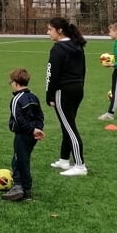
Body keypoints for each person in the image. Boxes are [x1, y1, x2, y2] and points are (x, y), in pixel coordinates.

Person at [45, 16, 88, 177]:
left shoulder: (57, 49)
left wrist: (49, 95)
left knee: (70, 127)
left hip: (63, 91)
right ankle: (64, 159)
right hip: (77, 89)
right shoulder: (77, 46)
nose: (47, 32)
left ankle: (80, 165)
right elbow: (84, 70)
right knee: (67, 125)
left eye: (50, 29)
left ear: (59, 30)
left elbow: (52, 75)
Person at [3, 68, 45, 202]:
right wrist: (38, 129)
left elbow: (18, 120)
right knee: (20, 159)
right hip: (32, 135)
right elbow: (40, 116)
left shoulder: (16, 99)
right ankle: (20, 186)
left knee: (21, 161)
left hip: (22, 135)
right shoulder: (34, 97)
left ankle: (23, 189)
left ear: (15, 83)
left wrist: (32, 130)